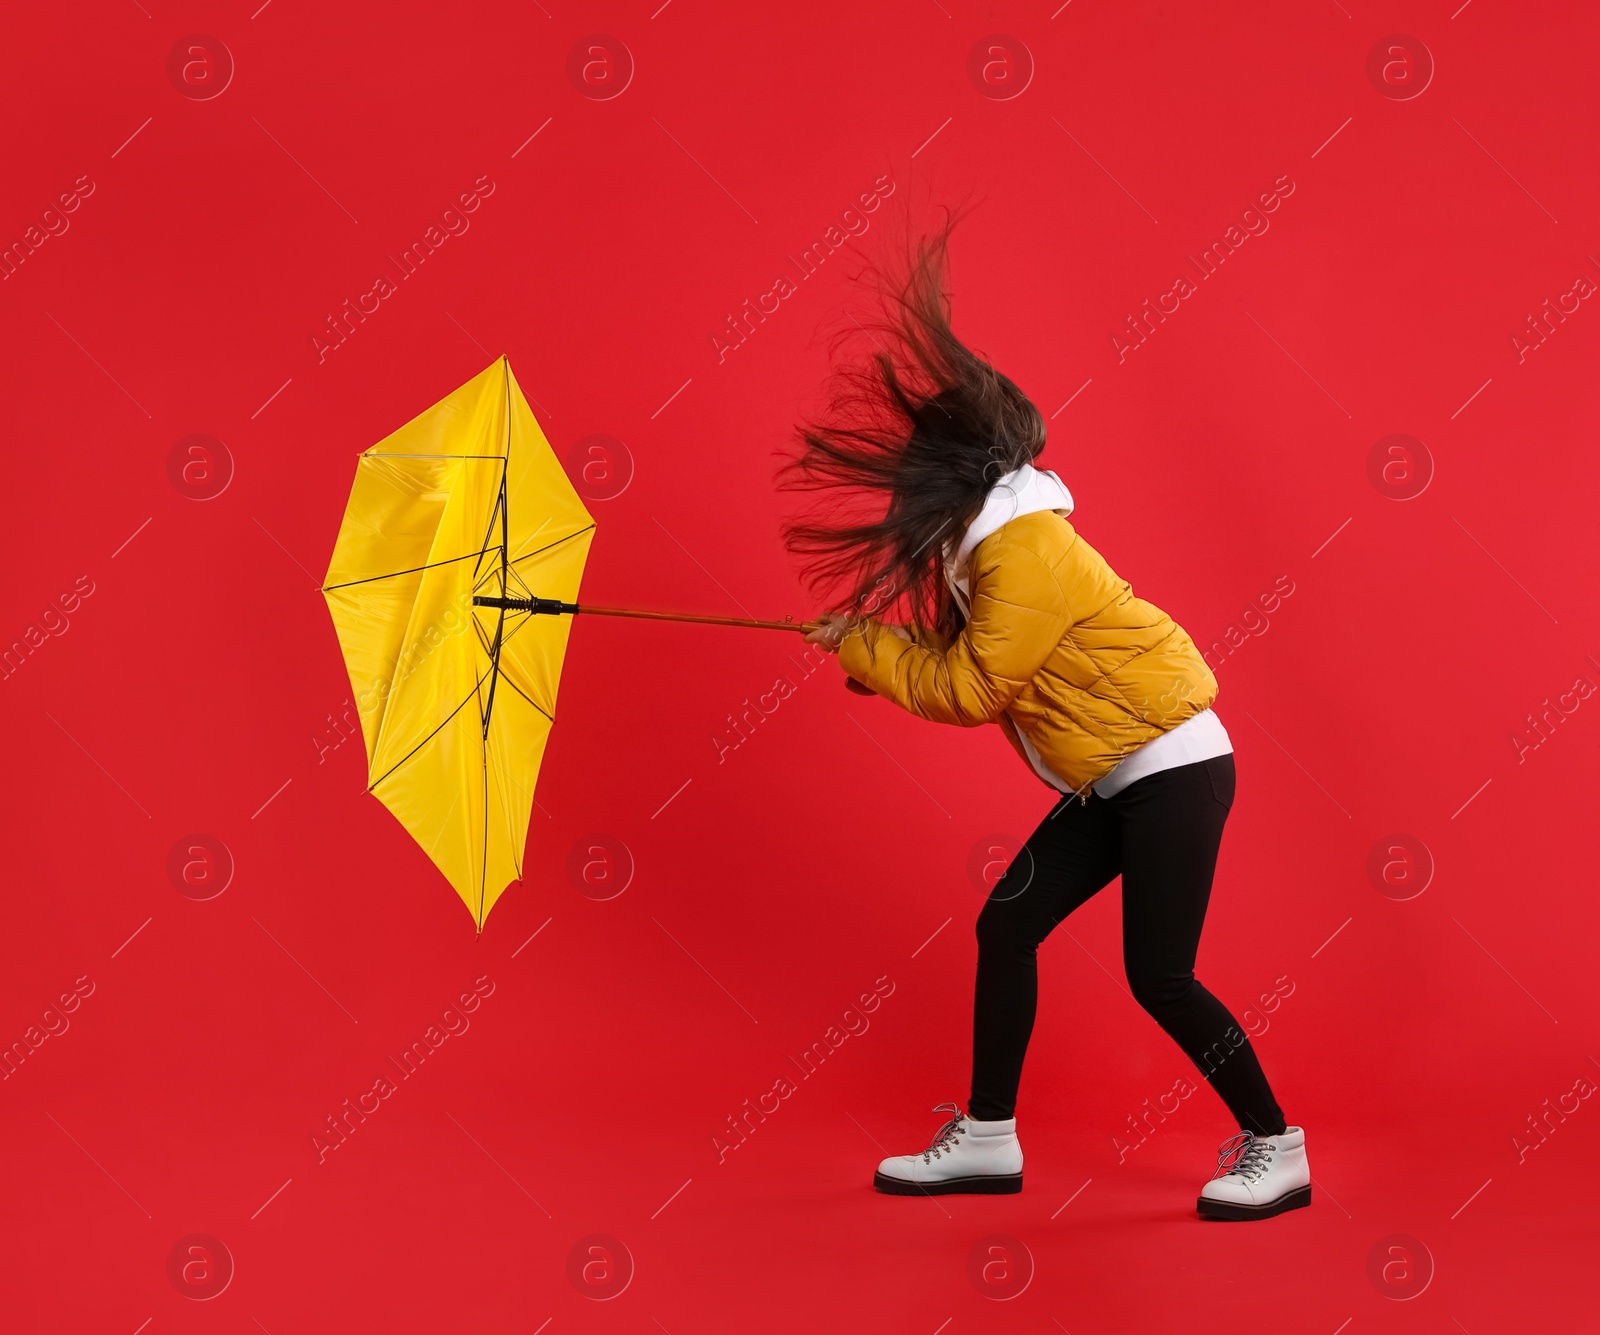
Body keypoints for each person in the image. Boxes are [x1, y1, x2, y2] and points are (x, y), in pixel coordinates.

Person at [784, 218, 1309, 1221]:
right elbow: (977, 668)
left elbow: (976, 691)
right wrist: (865, 650)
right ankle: (987, 1138)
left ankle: (1276, 1147)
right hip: (1118, 773)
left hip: (1171, 769)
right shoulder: (993, 549)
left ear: (951, 479)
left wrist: (864, 647)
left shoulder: (1020, 552)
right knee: (1008, 924)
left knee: (1158, 974)